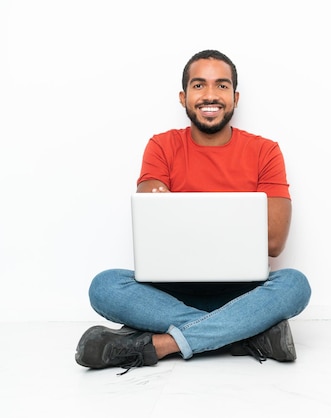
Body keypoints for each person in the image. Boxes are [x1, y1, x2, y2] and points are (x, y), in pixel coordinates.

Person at [75, 49, 312, 374]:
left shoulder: (264, 151)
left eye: (222, 86)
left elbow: (274, 241)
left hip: (242, 293)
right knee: (104, 286)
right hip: (168, 294)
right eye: (199, 86)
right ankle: (245, 335)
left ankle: (159, 345)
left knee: (295, 284)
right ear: (183, 96)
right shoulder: (162, 146)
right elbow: (151, 213)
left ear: (236, 97)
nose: (210, 95)